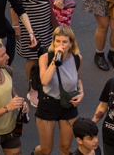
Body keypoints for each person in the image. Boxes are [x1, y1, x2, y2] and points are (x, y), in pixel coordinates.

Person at [33, 26, 83, 155]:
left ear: (71, 43)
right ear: (53, 42)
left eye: (65, 42)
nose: (61, 45)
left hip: (68, 103)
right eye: (58, 41)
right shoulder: (45, 58)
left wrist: (81, 93)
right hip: (48, 103)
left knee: (66, 148)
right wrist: (55, 60)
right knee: (46, 150)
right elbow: (44, 81)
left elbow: (77, 80)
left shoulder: (77, 58)